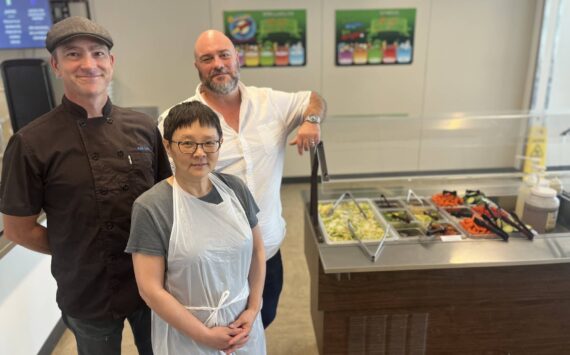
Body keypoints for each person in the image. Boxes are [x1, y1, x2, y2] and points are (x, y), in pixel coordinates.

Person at [0, 16, 171, 355]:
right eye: (74, 54)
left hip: (152, 280)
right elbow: (18, 229)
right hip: (87, 288)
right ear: (56, 65)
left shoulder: (143, 127)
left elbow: (166, 198)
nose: (88, 64)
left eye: (97, 53)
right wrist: (74, 248)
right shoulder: (31, 142)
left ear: (111, 62)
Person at [158, 29, 326, 328]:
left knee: (264, 316)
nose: (218, 64)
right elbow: (168, 185)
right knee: (219, 327)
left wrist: (311, 121)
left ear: (238, 58)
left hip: (269, 248)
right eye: (207, 58)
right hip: (216, 257)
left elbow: (314, 98)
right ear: (197, 67)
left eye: (224, 55)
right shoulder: (177, 120)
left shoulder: (269, 102)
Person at [127, 101, 266, 354]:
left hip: (242, 328)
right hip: (187, 336)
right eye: (187, 143)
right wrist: (206, 336)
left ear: (219, 144)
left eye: (209, 142)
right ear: (168, 146)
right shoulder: (152, 207)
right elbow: (150, 290)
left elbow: (257, 252)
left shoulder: (236, 190)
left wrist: (253, 309)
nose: (200, 153)